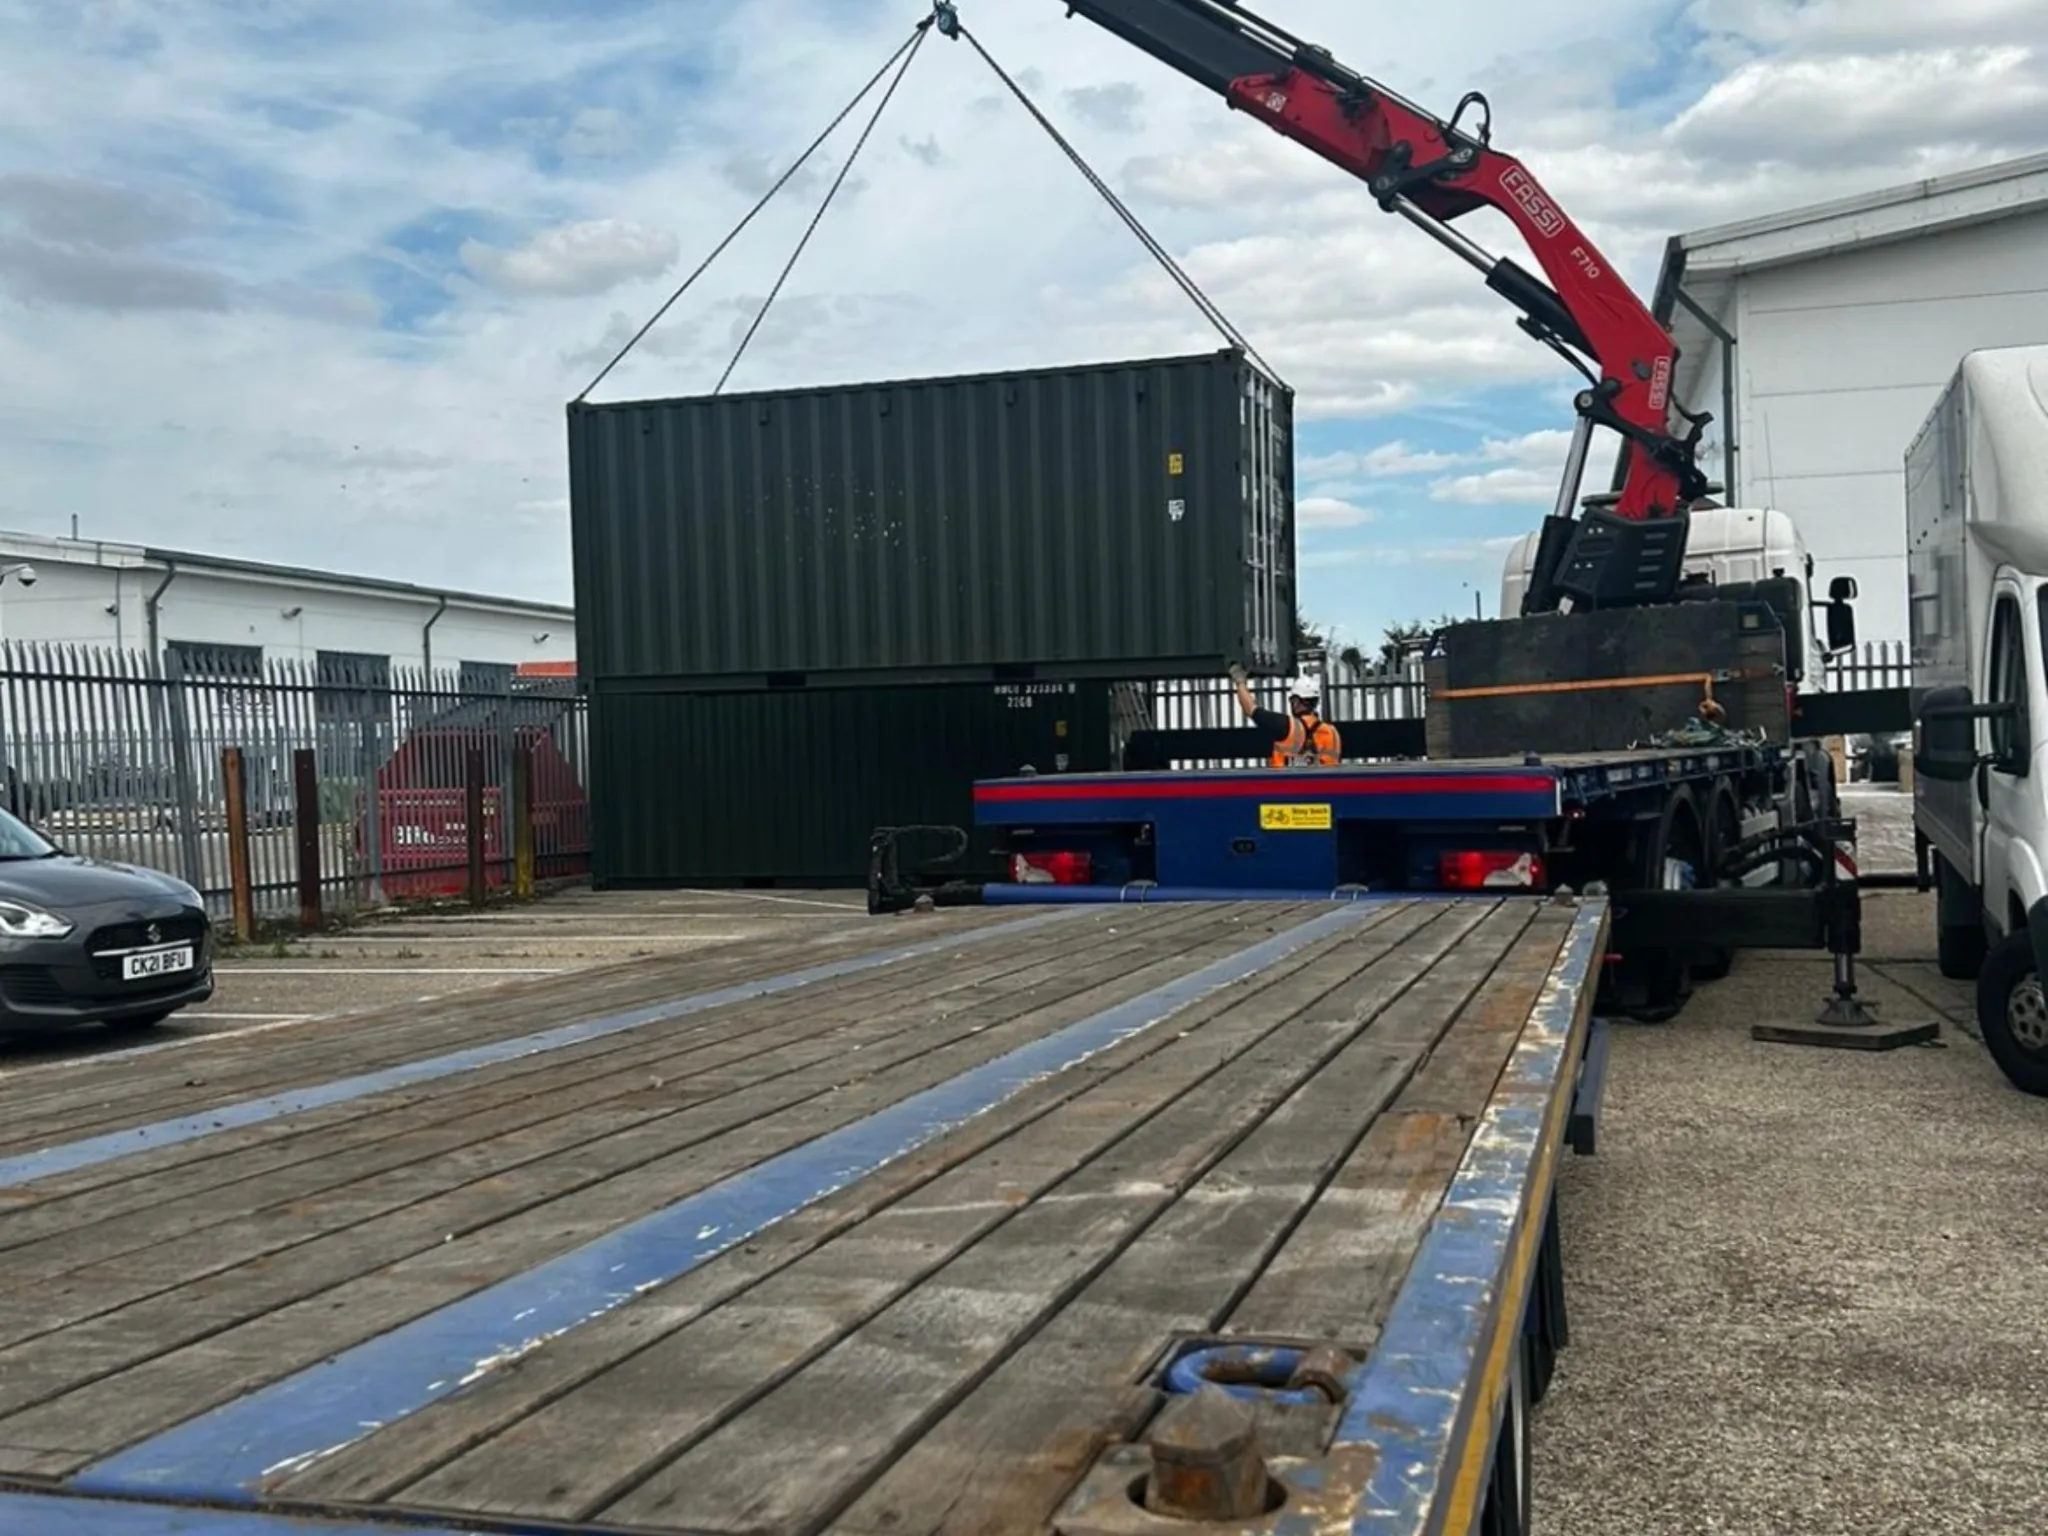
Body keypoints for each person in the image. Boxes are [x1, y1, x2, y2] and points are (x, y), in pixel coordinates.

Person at [1229, 664, 1341, 767]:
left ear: (1296, 701)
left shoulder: (1285, 725)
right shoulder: (1333, 733)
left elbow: (1251, 709)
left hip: (1286, 787)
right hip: (1323, 788)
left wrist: (1240, 682)